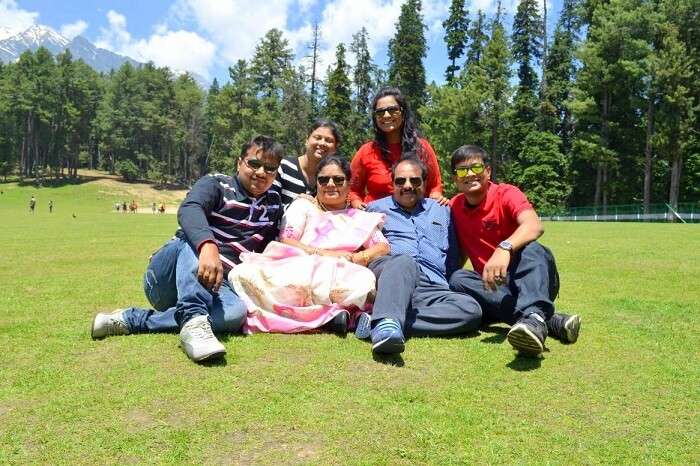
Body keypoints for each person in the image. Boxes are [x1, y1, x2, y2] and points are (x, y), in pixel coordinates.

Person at [91, 135, 284, 363]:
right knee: (193, 241)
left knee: (235, 314)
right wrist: (208, 246)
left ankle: (133, 319)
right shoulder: (216, 184)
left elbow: (272, 246)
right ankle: (194, 319)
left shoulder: (273, 203)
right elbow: (190, 209)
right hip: (168, 277)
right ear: (239, 162)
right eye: (254, 163)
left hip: (216, 285)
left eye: (270, 168)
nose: (261, 172)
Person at [230, 156, 389, 334]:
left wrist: (360, 257)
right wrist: (324, 254)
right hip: (300, 267)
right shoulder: (303, 206)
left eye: (338, 179)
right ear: (317, 183)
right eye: (323, 180)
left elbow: (383, 246)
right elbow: (287, 239)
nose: (330, 184)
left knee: (363, 282)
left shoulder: (360, 217)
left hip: (342, 271)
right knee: (242, 274)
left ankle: (330, 317)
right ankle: (336, 318)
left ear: (349, 183)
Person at [447, 145, 581, 356]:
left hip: (531, 278)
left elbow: (534, 225)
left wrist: (505, 247)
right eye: (462, 170)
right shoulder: (454, 207)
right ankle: (541, 320)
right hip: (495, 287)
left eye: (476, 167)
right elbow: (462, 250)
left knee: (532, 248)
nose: (470, 174)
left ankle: (535, 315)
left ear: (488, 171)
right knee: (457, 278)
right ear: (455, 179)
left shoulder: (506, 193)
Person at [362, 158, 482, 354]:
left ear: (425, 183)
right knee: (404, 261)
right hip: (394, 276)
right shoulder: (374, 209)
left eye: (415, 180)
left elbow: (453, 255)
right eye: (400, 181)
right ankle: (386, 323)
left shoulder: (442, 209)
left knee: (471, 310)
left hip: (431, 286)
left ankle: (381, 321)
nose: (407, 186)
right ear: (392, 184)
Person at [349, 87, 448, 210]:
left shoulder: (422, 148)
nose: (386, 115)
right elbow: (352, 189)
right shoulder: (366, 151)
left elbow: (435, 185)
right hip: (377, 217)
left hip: (416, 216)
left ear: (403, 112)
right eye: (380, 112)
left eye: (392, 110)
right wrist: (357, 204)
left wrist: (436, 199)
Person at [273, 119, 341, 207]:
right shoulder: (283, 167)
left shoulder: (333, 181)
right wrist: (296, 204)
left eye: (328, 140)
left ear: (335, 147)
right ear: (307, 140)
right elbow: (269, 206)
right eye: (318, 138)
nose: (322, 143)